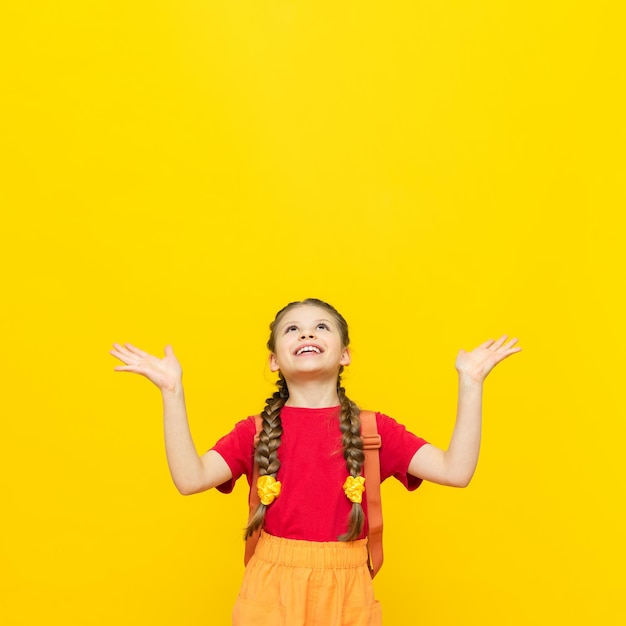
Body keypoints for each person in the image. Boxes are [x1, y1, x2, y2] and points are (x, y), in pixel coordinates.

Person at [110, 298, 521, 626]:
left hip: (348, 589)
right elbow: (189, 478)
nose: (307, 331)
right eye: (293, 328)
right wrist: (172, 391)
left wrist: (471, 384)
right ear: (274, 360)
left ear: (345, 354)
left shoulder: (374, 430)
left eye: (321, 326)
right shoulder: (252, 432)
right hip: (270, 586)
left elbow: (456, 470)